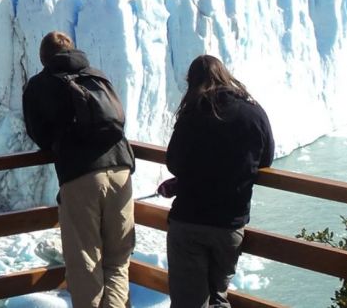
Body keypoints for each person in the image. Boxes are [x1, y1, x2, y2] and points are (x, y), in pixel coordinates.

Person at [22, 31, 136, 308]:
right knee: (118, 259)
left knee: (85, 262)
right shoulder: (97, 75)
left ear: (43, 57)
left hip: (81, 175)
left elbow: (39, 135)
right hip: (120, 168)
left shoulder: (40, 85)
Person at [164, 55, 275, 308]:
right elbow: (266, 158)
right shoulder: (253, 111)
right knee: (218, 298)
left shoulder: (192, 112)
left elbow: (174, 161)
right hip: (229, 224)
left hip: (189, 221)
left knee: (188, 303)